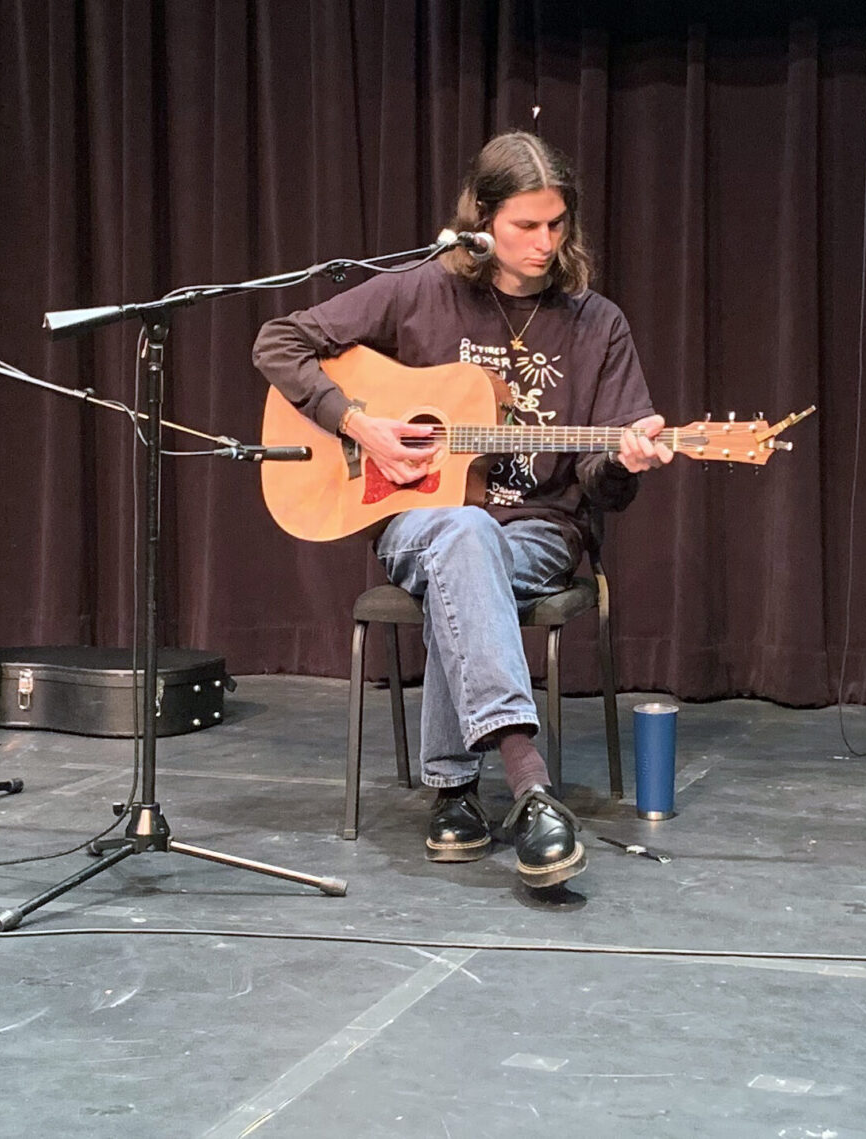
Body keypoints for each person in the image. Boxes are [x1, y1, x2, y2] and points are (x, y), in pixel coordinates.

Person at [252, 131, 671, 889]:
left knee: (469, 543)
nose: (546, 243)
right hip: (415, 521)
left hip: (540, 533)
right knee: (459, 531)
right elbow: (278, 342)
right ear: (480, 219)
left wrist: (624, 460)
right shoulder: (421, 291)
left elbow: (604, 486)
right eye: (525, 226)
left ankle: (455, 791)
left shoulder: (595, 323)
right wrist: (358, 423)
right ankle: (530, 784)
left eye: (557, 224)